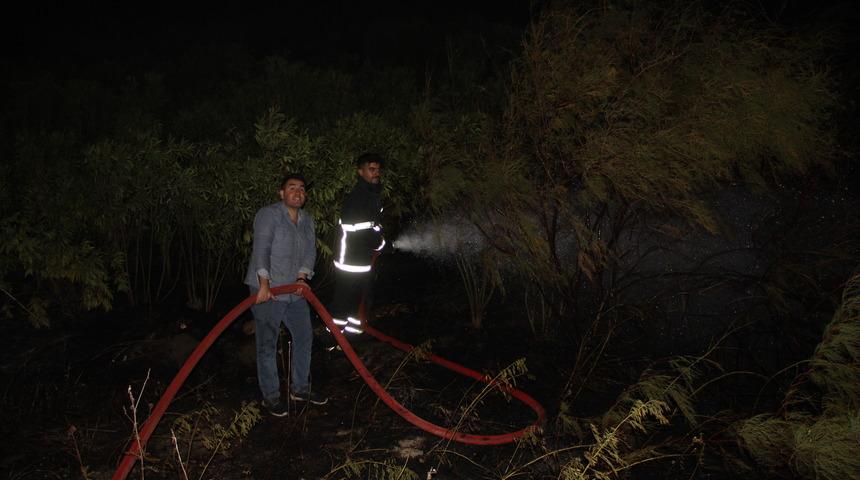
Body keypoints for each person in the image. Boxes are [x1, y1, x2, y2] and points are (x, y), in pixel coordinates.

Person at [245, 173, 328, 417]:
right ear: (281, 193)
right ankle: (271, 396)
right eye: (292, 188)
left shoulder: (307, 220)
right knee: (267, 344)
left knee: (304, 336)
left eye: (301, 188)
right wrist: (264, 284)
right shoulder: (268, 215)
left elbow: (310, 251)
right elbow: (261, 249)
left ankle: (300, 389)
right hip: (268, 290)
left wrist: (302, 278)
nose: (298, 192)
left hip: (294, 290)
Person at [330, 153, 386, 338]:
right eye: (371, 169)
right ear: (360, 172)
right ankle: (331, 341)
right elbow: (362, 231)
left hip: (363, 259)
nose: (376, 173)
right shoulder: (358, 198)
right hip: (350, 260)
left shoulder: (372, 195)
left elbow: (374, 225)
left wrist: (379, 240)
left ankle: (350, 341)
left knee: (358, 304)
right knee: (343, 305)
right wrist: (382, 244)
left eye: (378, 169)